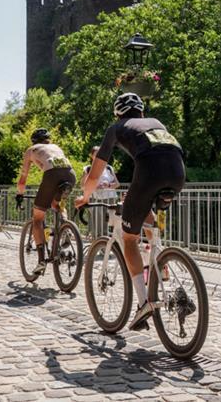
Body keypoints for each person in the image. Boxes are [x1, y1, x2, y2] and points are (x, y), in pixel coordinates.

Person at [75, 93, 186, 331]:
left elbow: (94, 174)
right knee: (144, 216)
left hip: (149, 173)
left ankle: (144, 301)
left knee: (128, 239)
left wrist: (84, 197)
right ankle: (162, 260)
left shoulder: (116, 128)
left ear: (118, 113)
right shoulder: (157, 123)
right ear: (141, 112)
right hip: (178, 172)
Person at [16, 128, 77, 276]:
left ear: (34, 141)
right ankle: (66, 227)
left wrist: (19, 195)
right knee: (57, 204)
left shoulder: (32, 150)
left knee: (37, 218)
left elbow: (23, 178)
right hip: (70, 174)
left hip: (51, 176)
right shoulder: (56, 147)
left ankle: (42, 260)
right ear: (48, 140)